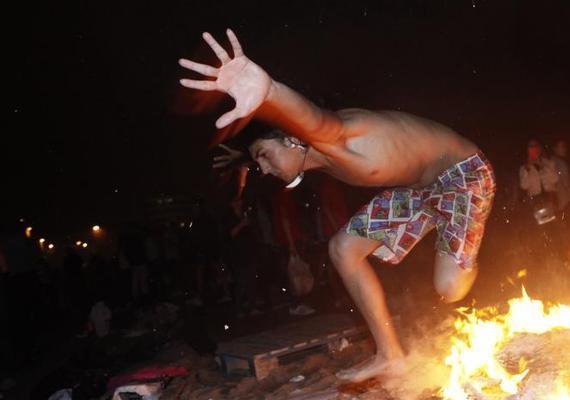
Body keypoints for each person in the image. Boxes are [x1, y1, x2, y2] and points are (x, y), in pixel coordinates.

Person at [179, 30, 495, 381]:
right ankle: (391, 355)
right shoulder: (308, 152)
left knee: (450, 289)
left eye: (265, 158)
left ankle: (469, 259)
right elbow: (287, 139)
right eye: (259, 165)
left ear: (292, 139)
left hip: (461, 175)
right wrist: (245, 156)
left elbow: (311, 118)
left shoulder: (335, 136)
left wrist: (270, 91)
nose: (264, 170)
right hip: (416, 190)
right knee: (343, 248)